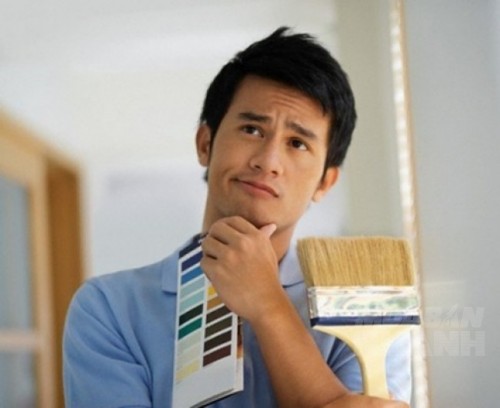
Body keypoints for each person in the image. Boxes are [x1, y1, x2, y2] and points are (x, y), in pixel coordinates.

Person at [63, 27, 411, 407]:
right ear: (205, 144)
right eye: (252, 129)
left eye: (297, 143)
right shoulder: (109, 309)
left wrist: (268, 305)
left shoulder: (367, 310)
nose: (268, 161)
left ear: (325, 182)